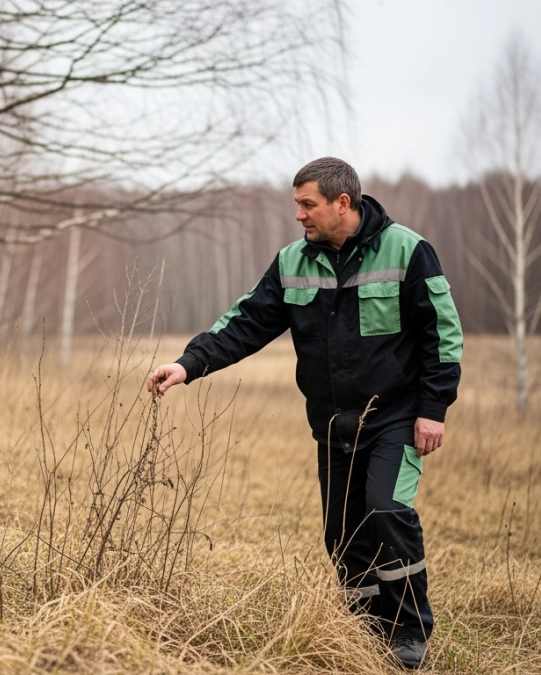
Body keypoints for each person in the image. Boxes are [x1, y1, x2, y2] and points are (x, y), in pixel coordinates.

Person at [146, 157, 462, 670]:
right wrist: (188, 364)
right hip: (332, 424)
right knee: (341, 534)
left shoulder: (407, 251)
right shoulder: (292, 262)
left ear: (342, 203)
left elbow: (442, 335)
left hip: (395, 418)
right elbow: (245, 323)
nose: (298, 215)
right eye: (297, 204)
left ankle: (409, 632)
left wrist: (433, 409)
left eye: (307, 204)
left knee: (385, 510)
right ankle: (365, 632)